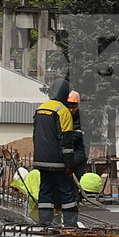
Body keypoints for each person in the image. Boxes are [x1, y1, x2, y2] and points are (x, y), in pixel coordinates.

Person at [33, 78, 79, 228]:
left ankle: (45, 222)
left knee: (45, 191)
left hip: (41, 159)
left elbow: (36, 136)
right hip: (58, 161)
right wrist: (70, 164)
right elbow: (66, 141)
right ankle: (71, 224)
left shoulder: (40, 109)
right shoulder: (62, 111)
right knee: (67, 191)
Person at [66, 90, 89, 178]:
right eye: (69, 106)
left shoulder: (84, 122)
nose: (71, 110)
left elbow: (84, 149)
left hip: (77, 165)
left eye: (74, 106)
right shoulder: (59, 119)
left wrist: (69, 162)